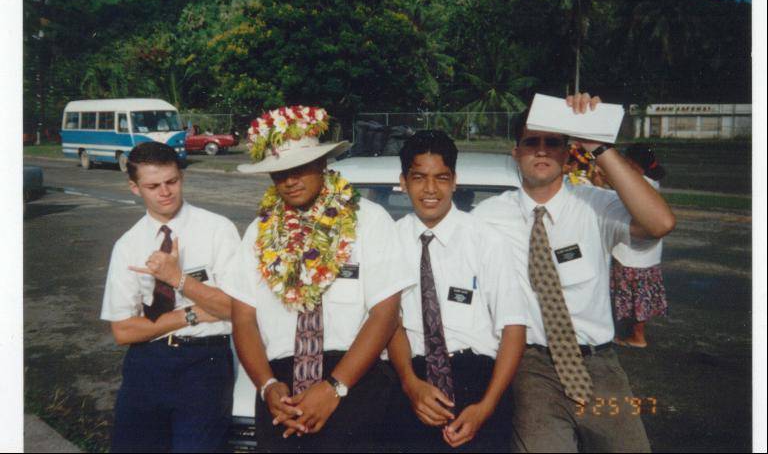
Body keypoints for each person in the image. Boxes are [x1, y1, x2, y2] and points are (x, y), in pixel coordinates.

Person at [473, 93, 676, 453]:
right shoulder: (487, 216)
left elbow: (660, 223)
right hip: (531, 371)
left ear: (567, 153)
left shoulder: (594, 205)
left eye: (553, 142)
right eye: (531, 142)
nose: (541, 151)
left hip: (600, 368)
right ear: (515, 151)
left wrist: (596, 142)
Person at [221, 105, 414, 453]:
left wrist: (334, 388)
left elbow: (385, 314)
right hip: (281, 392)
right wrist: (266, 386)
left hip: (355, 379)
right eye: (278, 172)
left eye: (299, 168)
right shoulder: (258, 232)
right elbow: (244, 317)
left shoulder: (369, 220)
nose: (290, 180)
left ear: (323, 164)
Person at [385, 130, 528, 451]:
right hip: (412, 378)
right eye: (419, 178)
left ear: (454, 181)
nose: (431, 189)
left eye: (441, 178)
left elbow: (513, 327)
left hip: (477, 379)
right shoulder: (388, 242)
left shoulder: (487, 241)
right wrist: (410, 385)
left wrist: (486, 408)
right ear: (403, 181)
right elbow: (390, 322)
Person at [100, 141, 240, 453]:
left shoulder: (218, 230)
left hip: (204, 364)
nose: (165, 192)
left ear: (181, 178)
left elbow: (233, 307)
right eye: (153, 185)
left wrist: (177, 279)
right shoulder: (127, 245)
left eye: (172, 181)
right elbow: (123, 330)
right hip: (146, 366)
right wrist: (190, 314)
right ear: (135, 188)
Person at [611, 144, 669, 348]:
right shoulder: (652, 181)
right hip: (648, 253)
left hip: (633, 251)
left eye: (627, 162)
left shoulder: (639, 185)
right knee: (640, 295)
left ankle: (636, 337)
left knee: (632, 295)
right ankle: (634, 334)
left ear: (634, 165)